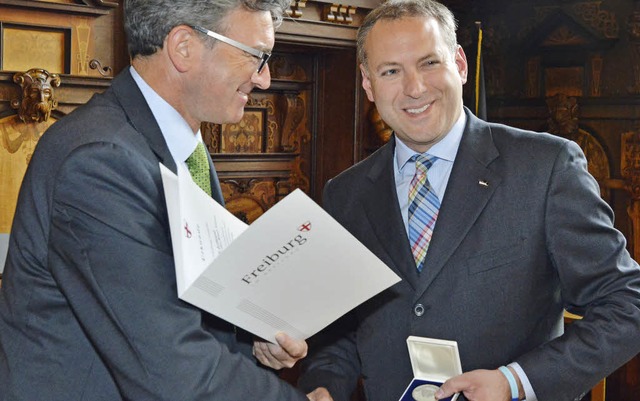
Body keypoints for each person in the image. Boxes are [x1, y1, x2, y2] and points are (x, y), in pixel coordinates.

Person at [296, 1, 640, 401]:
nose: (415, 88)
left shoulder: (546, 168)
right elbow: (342, 328)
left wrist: (515, 381)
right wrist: (323, 385)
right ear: (368, 85)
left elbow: (627, 302)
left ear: (459, 64)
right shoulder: (345, 193)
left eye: (428, 63)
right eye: (391, 71)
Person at [0, 0, 327, 400]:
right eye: (256, 57)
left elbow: (188, 305)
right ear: (183, 46)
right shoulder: (98, 160)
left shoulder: (185, 147)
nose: (264, 78)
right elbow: (170, 368)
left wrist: (252, 342)